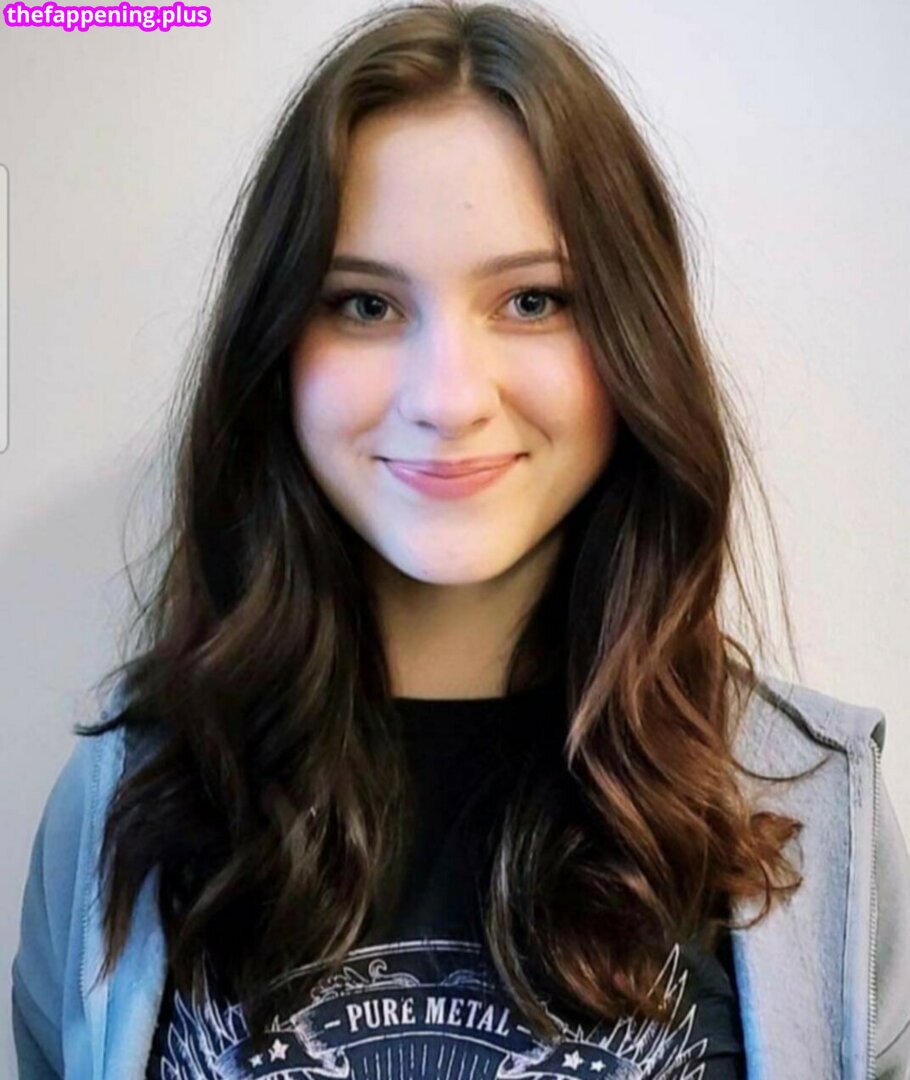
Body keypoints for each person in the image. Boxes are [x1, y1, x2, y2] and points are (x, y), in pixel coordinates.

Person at [11, 1, 910, 1077]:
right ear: (274, 350)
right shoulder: (126, 803)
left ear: (635, 340)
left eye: (532, 300)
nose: (446, 398)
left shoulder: (806, 812)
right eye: (364, 305)